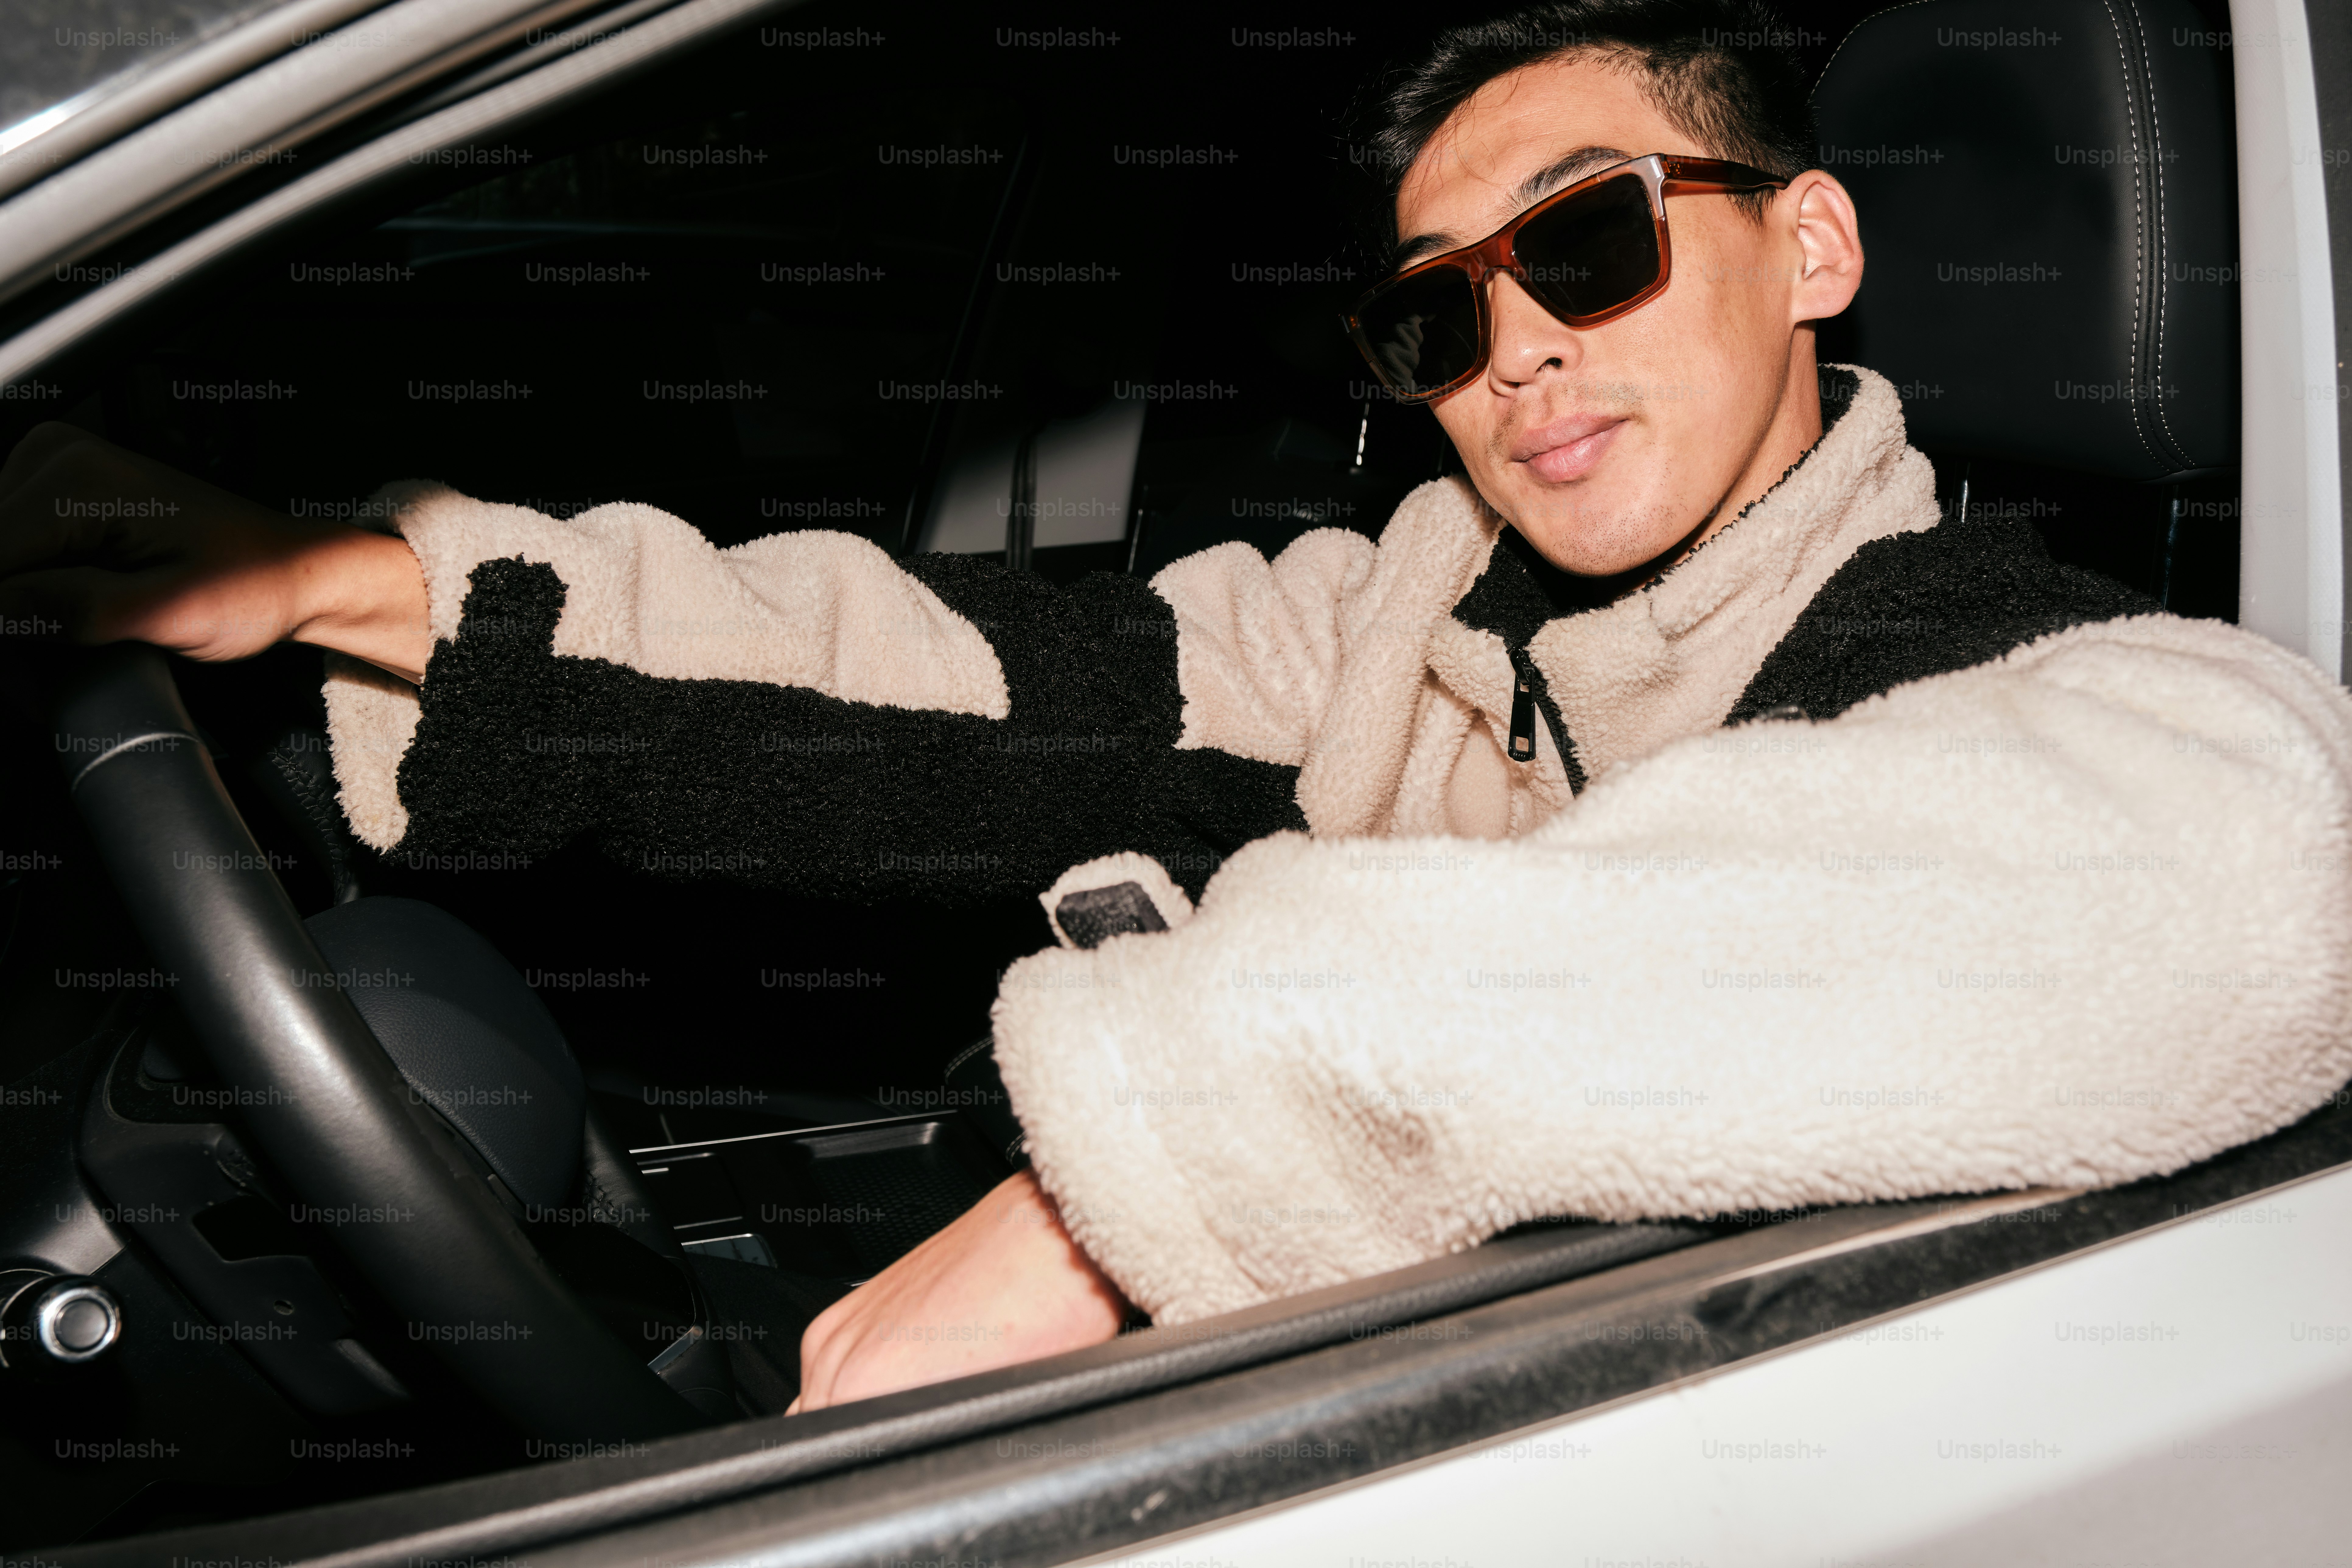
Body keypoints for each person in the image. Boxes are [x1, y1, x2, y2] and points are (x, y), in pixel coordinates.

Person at [4, 0, 2349, 1416]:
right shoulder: (1401, 623)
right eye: (1440, 314)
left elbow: (2254, 871)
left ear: (1812, 245)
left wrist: (1145, 1170)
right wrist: (359, 583)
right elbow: (927, 672)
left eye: (1595, 239)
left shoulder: (2014, 659)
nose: (1514, 345)